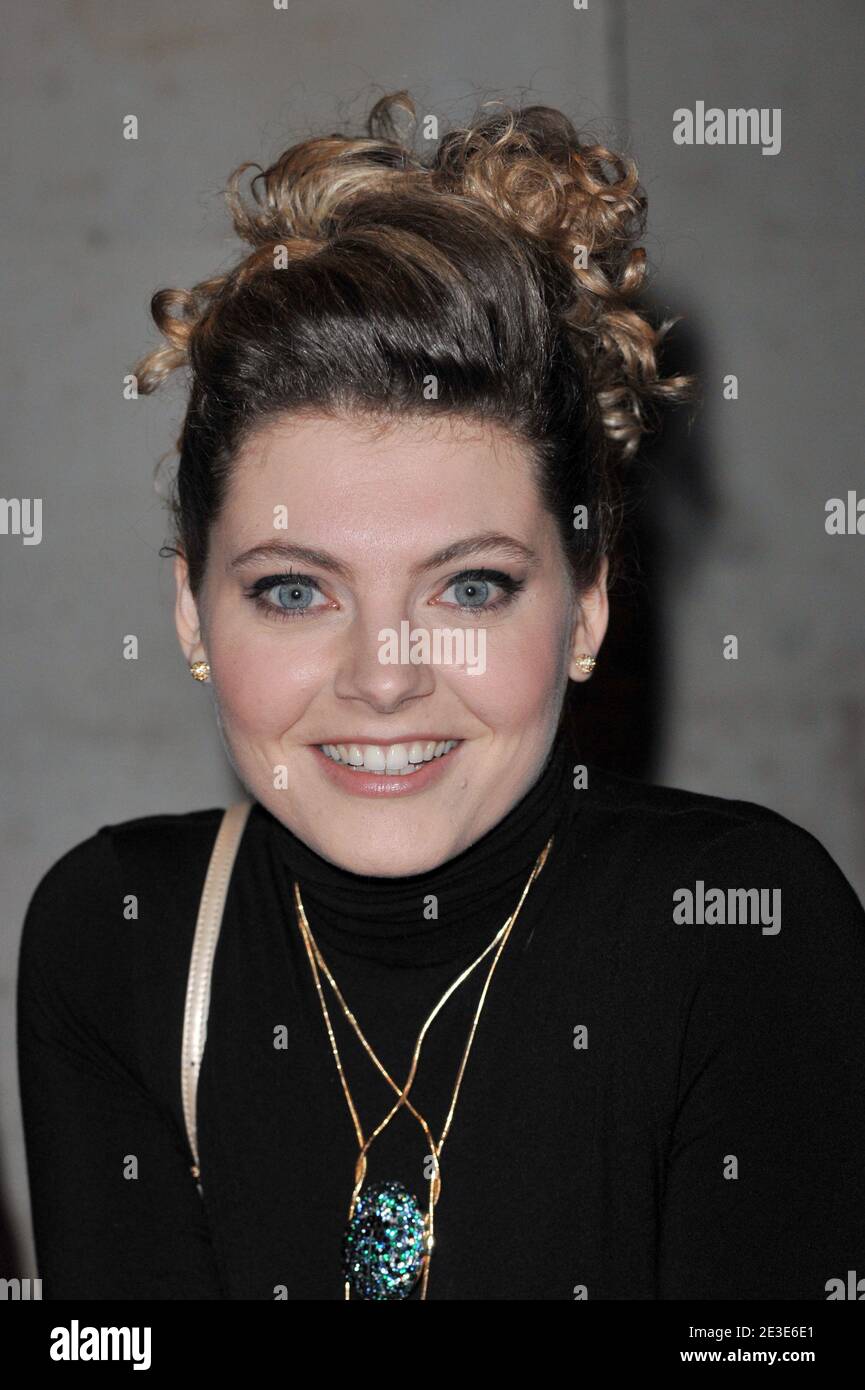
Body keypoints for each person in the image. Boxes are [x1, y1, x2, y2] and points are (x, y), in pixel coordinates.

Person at [17, 91, 865, 1301]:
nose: (383, 673)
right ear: (192, 615)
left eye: (469, 586)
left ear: (584, 607)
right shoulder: (115, 943)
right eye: (295, 592)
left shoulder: (738, 934)